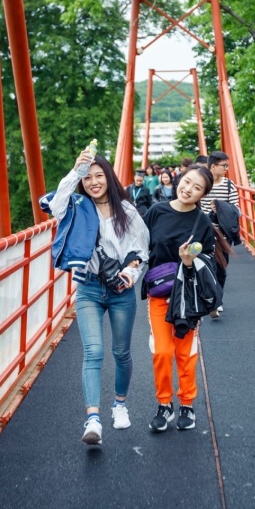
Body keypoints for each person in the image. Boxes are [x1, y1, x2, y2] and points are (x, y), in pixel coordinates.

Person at [45, 152, 149, 445]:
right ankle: (93, 419)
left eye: (98, 175)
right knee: (93, 351)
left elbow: (141, 248)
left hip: (120, 290)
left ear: (109, 177)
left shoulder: (126, 210)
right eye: (87, 177)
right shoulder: (77, 207)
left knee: (121, 352)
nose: (93, 182)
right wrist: (75, 170)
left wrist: (130, 272)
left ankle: (120, 405)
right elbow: (55, 205)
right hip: (89, 287)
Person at [142, 167, 216, 432]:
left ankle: (187, 403)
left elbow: (209, 258)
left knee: (185, 353)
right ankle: (164, 403)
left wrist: (189, 261)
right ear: (178, 180)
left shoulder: (202, 221)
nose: (188, 189)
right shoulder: (156, 211)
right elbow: (139, 244)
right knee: (162, 351)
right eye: (187, 182)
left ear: (202, 195)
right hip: (160, 293)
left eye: (197, 188)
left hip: (188, 295)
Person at [200, 151, 240, 318]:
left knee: (221, 268)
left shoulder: (229, 185)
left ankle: (217, 300)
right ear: (213, 166)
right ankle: (213, 300)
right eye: (224, 166)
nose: (226, 169)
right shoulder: (202, 183)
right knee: (207, 265)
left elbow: (237, 210)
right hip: (205, 231)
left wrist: (221, 207)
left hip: (224, 233)